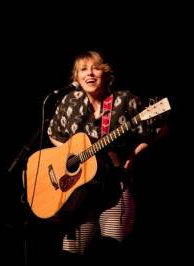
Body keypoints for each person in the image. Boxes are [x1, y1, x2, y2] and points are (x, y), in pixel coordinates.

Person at [44, 50, 168, 262]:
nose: (89, 74)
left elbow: (159, 128)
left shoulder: (124, 100)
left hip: (114, 188)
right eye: (83, 69)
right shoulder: (69, 102)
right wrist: (68, 155)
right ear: (76, 77)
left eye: (95, 68)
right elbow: (53, 133)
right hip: (79, 192)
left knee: (110, 252)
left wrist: (132, 156)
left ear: (106, 73)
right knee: (69, 254)